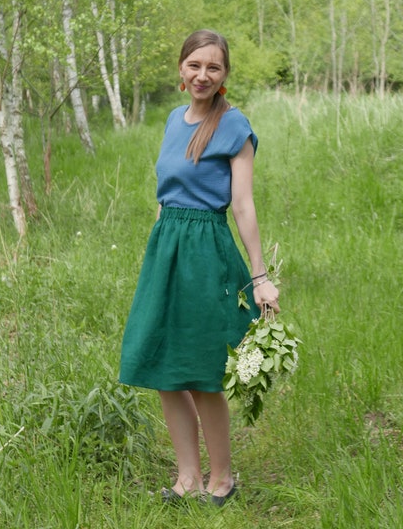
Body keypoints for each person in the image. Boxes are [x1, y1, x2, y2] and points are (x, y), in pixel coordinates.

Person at [119, 29, 280, 506]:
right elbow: (165, 191)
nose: (202, 75)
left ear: (225, 74)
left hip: (207, 253)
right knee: (168, 367)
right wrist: (156, 253)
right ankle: (187, 477)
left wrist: (260, 276)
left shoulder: (234, 125)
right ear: (181, 69)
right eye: (195, 65)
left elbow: (243, 206)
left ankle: (223, 477)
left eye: (213, 67)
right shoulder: (173, 120)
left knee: (205, 371)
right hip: (165, 250)